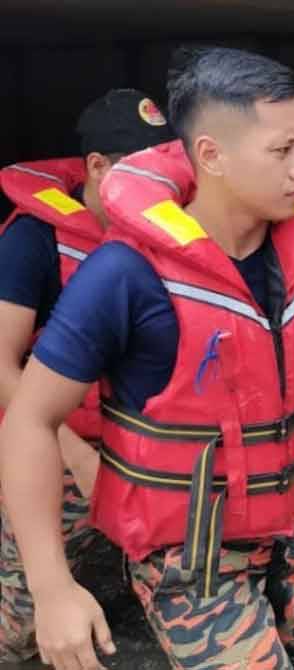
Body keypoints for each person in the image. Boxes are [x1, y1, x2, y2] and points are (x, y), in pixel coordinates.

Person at [0, 46, 294, 670]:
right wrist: (52, 586)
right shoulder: (124, 276)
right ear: (210, 156)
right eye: (282, 151)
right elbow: (29, 420)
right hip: (192, 555)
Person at [0, 88, 174, 663]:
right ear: (97, 167)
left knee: (184, 585)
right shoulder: (32, 241)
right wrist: (76, 454)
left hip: (145, 449)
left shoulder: (163, 232)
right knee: (23, 615)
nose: (160, 188)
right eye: (141, 171)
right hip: (56, 449)